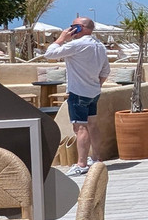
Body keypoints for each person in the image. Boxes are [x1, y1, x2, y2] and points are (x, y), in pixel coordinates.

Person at [45, 17, 110, 175]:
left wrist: (61, 38)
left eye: (73, 26)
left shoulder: (76, 45)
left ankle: (81, 164)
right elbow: (105, 71)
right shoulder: (99, 46)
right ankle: (96, 158)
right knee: (93, 125)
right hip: (93, 92)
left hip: (78, 92)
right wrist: (96, 85)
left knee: (80, 128)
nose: (70, 28)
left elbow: (49, 53)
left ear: (81, 27)